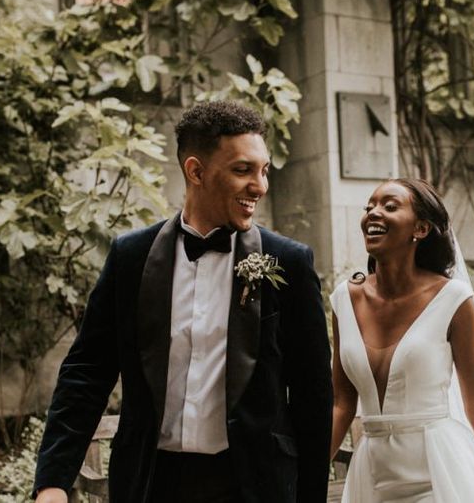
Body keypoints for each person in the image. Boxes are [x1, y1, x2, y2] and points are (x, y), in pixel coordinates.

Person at [33, 100, 333, 503]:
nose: (260, 186)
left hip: (253, 484)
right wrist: (52, 482)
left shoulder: (289, 262)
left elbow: (313, 395)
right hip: (152, 482)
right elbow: (87, 373)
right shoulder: (130, 257)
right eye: (243, 170)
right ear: (196, 171)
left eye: (263, 170)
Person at [329, 178, 474, 503]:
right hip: (370, 475)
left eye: (389, 206)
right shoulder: (343, 299)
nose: (373, 214)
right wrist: (302, 478)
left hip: (438, 472)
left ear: (420, 229)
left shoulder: (453, 299)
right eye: (369, 207)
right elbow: (341, 402)